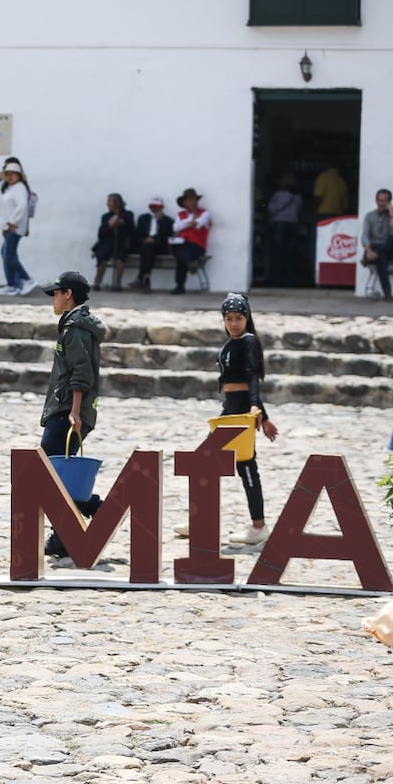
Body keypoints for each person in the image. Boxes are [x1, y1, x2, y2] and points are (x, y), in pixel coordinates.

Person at [176, 294, 280, 545]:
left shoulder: (248, 341)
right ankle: (200, 520)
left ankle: (259, 526)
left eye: (239, 318)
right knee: (204, 463)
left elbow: (252, 376)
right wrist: (263, 416)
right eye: (229, 318)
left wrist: (256, 408)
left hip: (241, 412)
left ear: (247, 318)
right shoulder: (231, 343)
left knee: (243, 467)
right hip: (231, 411)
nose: (234, 323)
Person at [37, 271, 106, 559]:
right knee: (56, 473)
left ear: (68, 294)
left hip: (68, 409)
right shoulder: (72, 324)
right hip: (66, 407)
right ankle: (64, 536)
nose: (53, 298)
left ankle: (94, 510)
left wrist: (75, 412)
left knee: (45, 471)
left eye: (56, 293)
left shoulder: (76, 327)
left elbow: (81, 371)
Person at [0, 161, 37, 296]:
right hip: (9, 227)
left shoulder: (19, 188)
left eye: (13, 174)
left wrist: (12, 222)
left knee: (9, 255)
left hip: (15, 227)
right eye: (8, 174)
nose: (10, 176)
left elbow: (22, 207)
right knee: (6, 254)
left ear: (19, 175)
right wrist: (3, 226)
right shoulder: (10, 188)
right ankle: (12, 285)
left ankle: (26, 279)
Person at [170, 188, 210, 295]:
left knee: (180, 254)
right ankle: (188, 264)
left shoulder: (204, 213)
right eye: (189, 200)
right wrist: (189, 221)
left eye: (194, 200)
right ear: (184, 203)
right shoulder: (180, 214)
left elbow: (198, 224)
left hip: (197, 246)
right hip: (182, 245)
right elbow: (176, 228)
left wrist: (187, 223)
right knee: (179, 250)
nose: (193, 203)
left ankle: (180, 286)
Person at [130, 196, 173, 292]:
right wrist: (146, 240)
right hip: (145, 246)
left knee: (148, 247)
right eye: (153, 206)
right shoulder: (143, 218)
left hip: (160, 247)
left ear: (161, 208)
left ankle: (140, 277)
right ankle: (146, 279)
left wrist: (155, 238)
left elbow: (167, 237)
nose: (154, 209)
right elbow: (138, 234)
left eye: (157, 207)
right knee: (148, 248)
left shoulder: (168, 221)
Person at [92, 193, 134, 292]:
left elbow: (128, 224)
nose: (108, 204)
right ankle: (97, 282)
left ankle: (117, 284)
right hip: (107, 243)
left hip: (122, 244)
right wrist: (110, 225)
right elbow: (101, 233)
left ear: (117, 203)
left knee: (120, 261)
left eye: (109, 201)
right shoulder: (106, 216)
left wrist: (117, 220)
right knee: (101, 259)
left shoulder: (127, 214)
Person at [266, 175, 303, 287]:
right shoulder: (297, 196)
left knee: (277, 254)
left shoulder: (278, 195)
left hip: (279, 224)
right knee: (290, 255)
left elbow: (271, 209)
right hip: (293, 225)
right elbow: (299, 210)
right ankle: (289, 282)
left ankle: (275, 282)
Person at [361, 189, 393, 302]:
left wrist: (392, 215)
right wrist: (369, 251)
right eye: (379, 200)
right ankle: (387, 293)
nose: (381, 203)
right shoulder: (369, 216)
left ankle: (369, 258)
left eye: (384, 201)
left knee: (391, 240)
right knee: (381, 257)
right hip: (372, 248)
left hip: (389, 247)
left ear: (389, 202)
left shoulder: (391, 216)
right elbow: (364, 236)